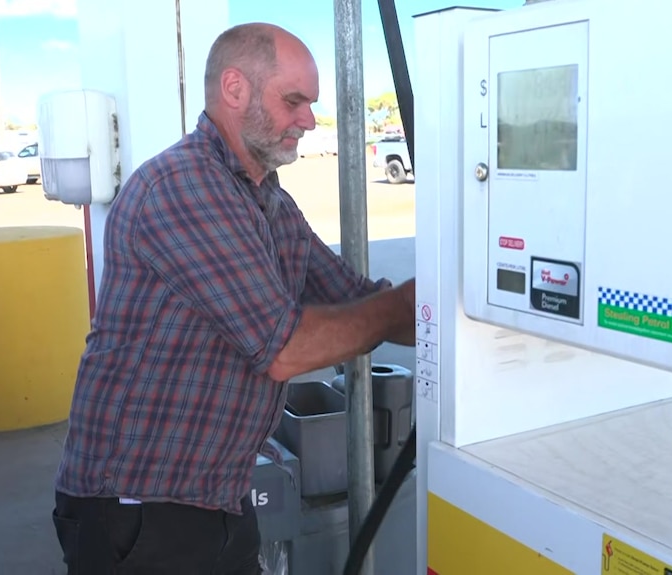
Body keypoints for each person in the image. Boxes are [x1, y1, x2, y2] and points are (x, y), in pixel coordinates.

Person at [50, 21, 416, 575]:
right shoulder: (182, 185)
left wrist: (460, 306)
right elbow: (283, 349)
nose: (309, 121)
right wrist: (400, 309)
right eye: (294, 101)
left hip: (217, 493)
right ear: (235, 89)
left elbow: (355, 299)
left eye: (310, 105)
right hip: (138, 508)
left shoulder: (269, 201)